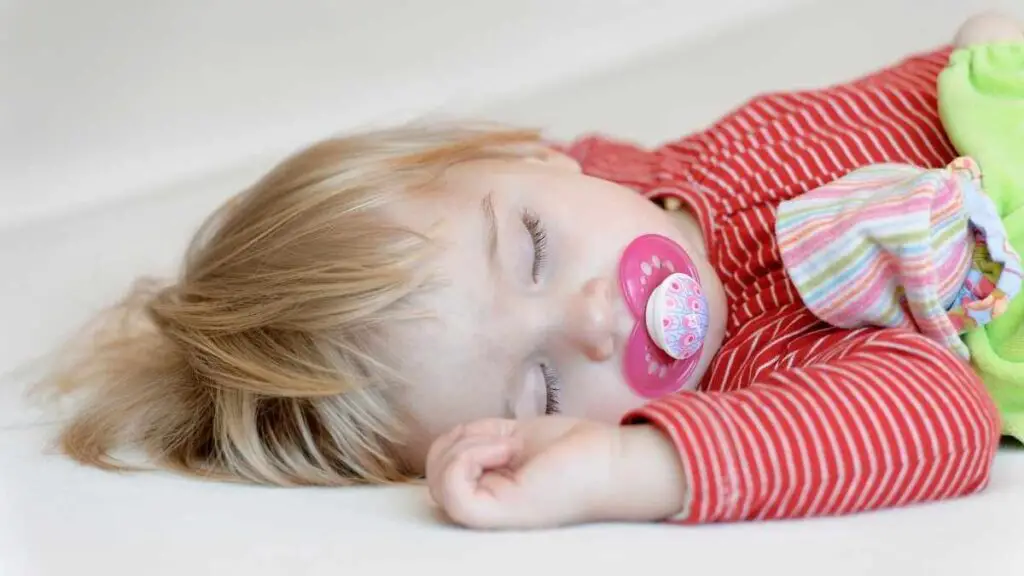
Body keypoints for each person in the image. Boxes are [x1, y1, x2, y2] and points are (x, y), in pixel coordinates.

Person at [44, 12, 1023, 529]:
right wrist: (634, 468)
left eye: (535, 251)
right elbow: (943, 424)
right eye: (546, 384)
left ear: (537, 158)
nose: (594, 320)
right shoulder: (771, 375)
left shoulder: (633, 173)